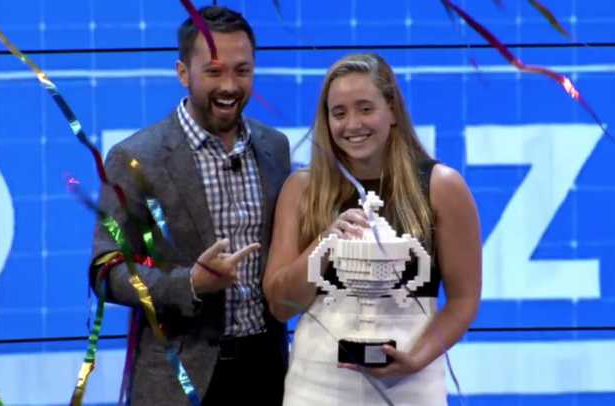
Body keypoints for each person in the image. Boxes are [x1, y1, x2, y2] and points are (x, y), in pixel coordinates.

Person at [91, 6, 290, 405]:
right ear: (183, 72)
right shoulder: (136, 158)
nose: (229, 86)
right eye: (214, 71)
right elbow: (105, 271)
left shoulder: (275, 148)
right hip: (178, 378)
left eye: (242, 70)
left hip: (268, 371)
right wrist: (190, 284)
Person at [263, 53, 482, 405]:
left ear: (392, 110)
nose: (352, 124)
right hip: (317, 388)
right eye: (339, 113)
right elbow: (280, 305)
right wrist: (325, 244)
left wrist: (416, 359)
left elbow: (464, 300)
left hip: (411, 385)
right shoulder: (302, 189)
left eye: (365, 108)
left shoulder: (441, 186)